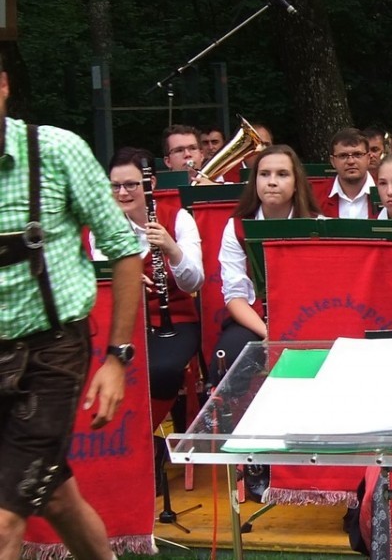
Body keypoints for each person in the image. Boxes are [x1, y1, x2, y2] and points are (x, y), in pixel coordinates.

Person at [0, 54, 144, 560]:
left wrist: (116, 358)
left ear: (2, 87)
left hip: (51, 353)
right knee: (57, 497)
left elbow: (124, 249)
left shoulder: (57, 151)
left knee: (3, 521)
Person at [91, 147, 204, 422]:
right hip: (122, 322)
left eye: (131, 185)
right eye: (115, 186)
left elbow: (194, 281)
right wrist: (123, 280)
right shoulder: (103, 226)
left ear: (150, 183)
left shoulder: (179, 219)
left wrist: (171, 247)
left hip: (175, 320)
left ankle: (143, 432)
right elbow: (101, 276)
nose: (122, 193)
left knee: (161, 370)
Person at [211, 145, 321, 373]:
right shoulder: (236, 227)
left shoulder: (319, 224)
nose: (272, 182)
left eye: (282, 174)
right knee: (229, 354)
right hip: (256, 320)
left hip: (309, 317)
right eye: (264, 174)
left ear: (296, 183)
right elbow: (235, 296)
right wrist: (270, 334)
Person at [312, 129, 375, 219]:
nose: (351, 161)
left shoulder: (385, 192)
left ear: (368, 158)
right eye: (343, 156)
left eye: (357, 154)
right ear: (332, 161)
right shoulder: (314, 196)